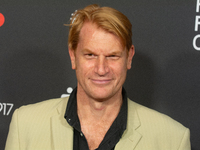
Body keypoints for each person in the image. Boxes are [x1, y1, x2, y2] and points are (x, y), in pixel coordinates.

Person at [5, 4, 191, 150]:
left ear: (129, 57)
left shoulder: (172, 139)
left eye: (112, 56)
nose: (101, 69)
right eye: (90, 55)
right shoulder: (26, 125)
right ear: (73, 56)